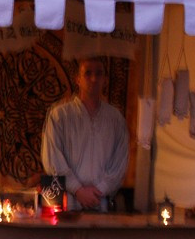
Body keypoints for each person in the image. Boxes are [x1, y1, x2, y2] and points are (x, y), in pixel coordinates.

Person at [41, 57, 129, 211]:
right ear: (78, 79)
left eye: (99, 73)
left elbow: (120, 161)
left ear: (105, 80)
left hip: (101, 203)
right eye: (88, 73)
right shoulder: (60, 116)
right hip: (67, 205)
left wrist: (100, 189)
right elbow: (52, 157)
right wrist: (77, 189)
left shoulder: (115, 119)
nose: (94, 79)